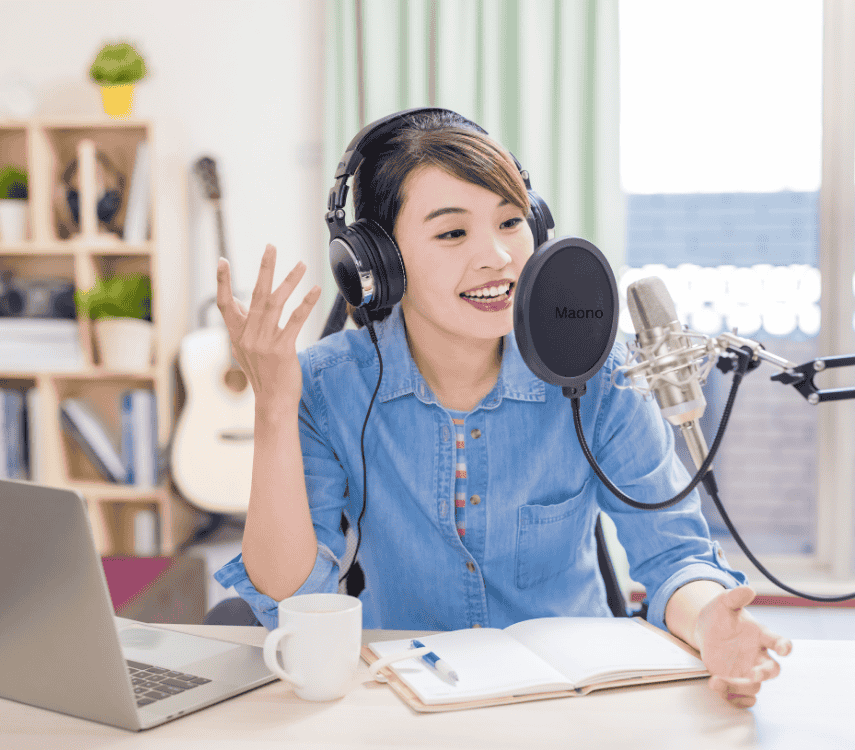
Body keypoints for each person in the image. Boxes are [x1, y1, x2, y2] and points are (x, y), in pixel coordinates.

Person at [213, 109, 791, 708]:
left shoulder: (601, 372)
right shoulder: (331, 385)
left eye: (511, 222)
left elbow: (674, 553)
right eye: (451, 233)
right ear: (379, 263)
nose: (496, 256)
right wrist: (274, 409)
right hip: (409, 700)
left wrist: (709, 623)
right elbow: (291, 595)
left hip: (574, 703)